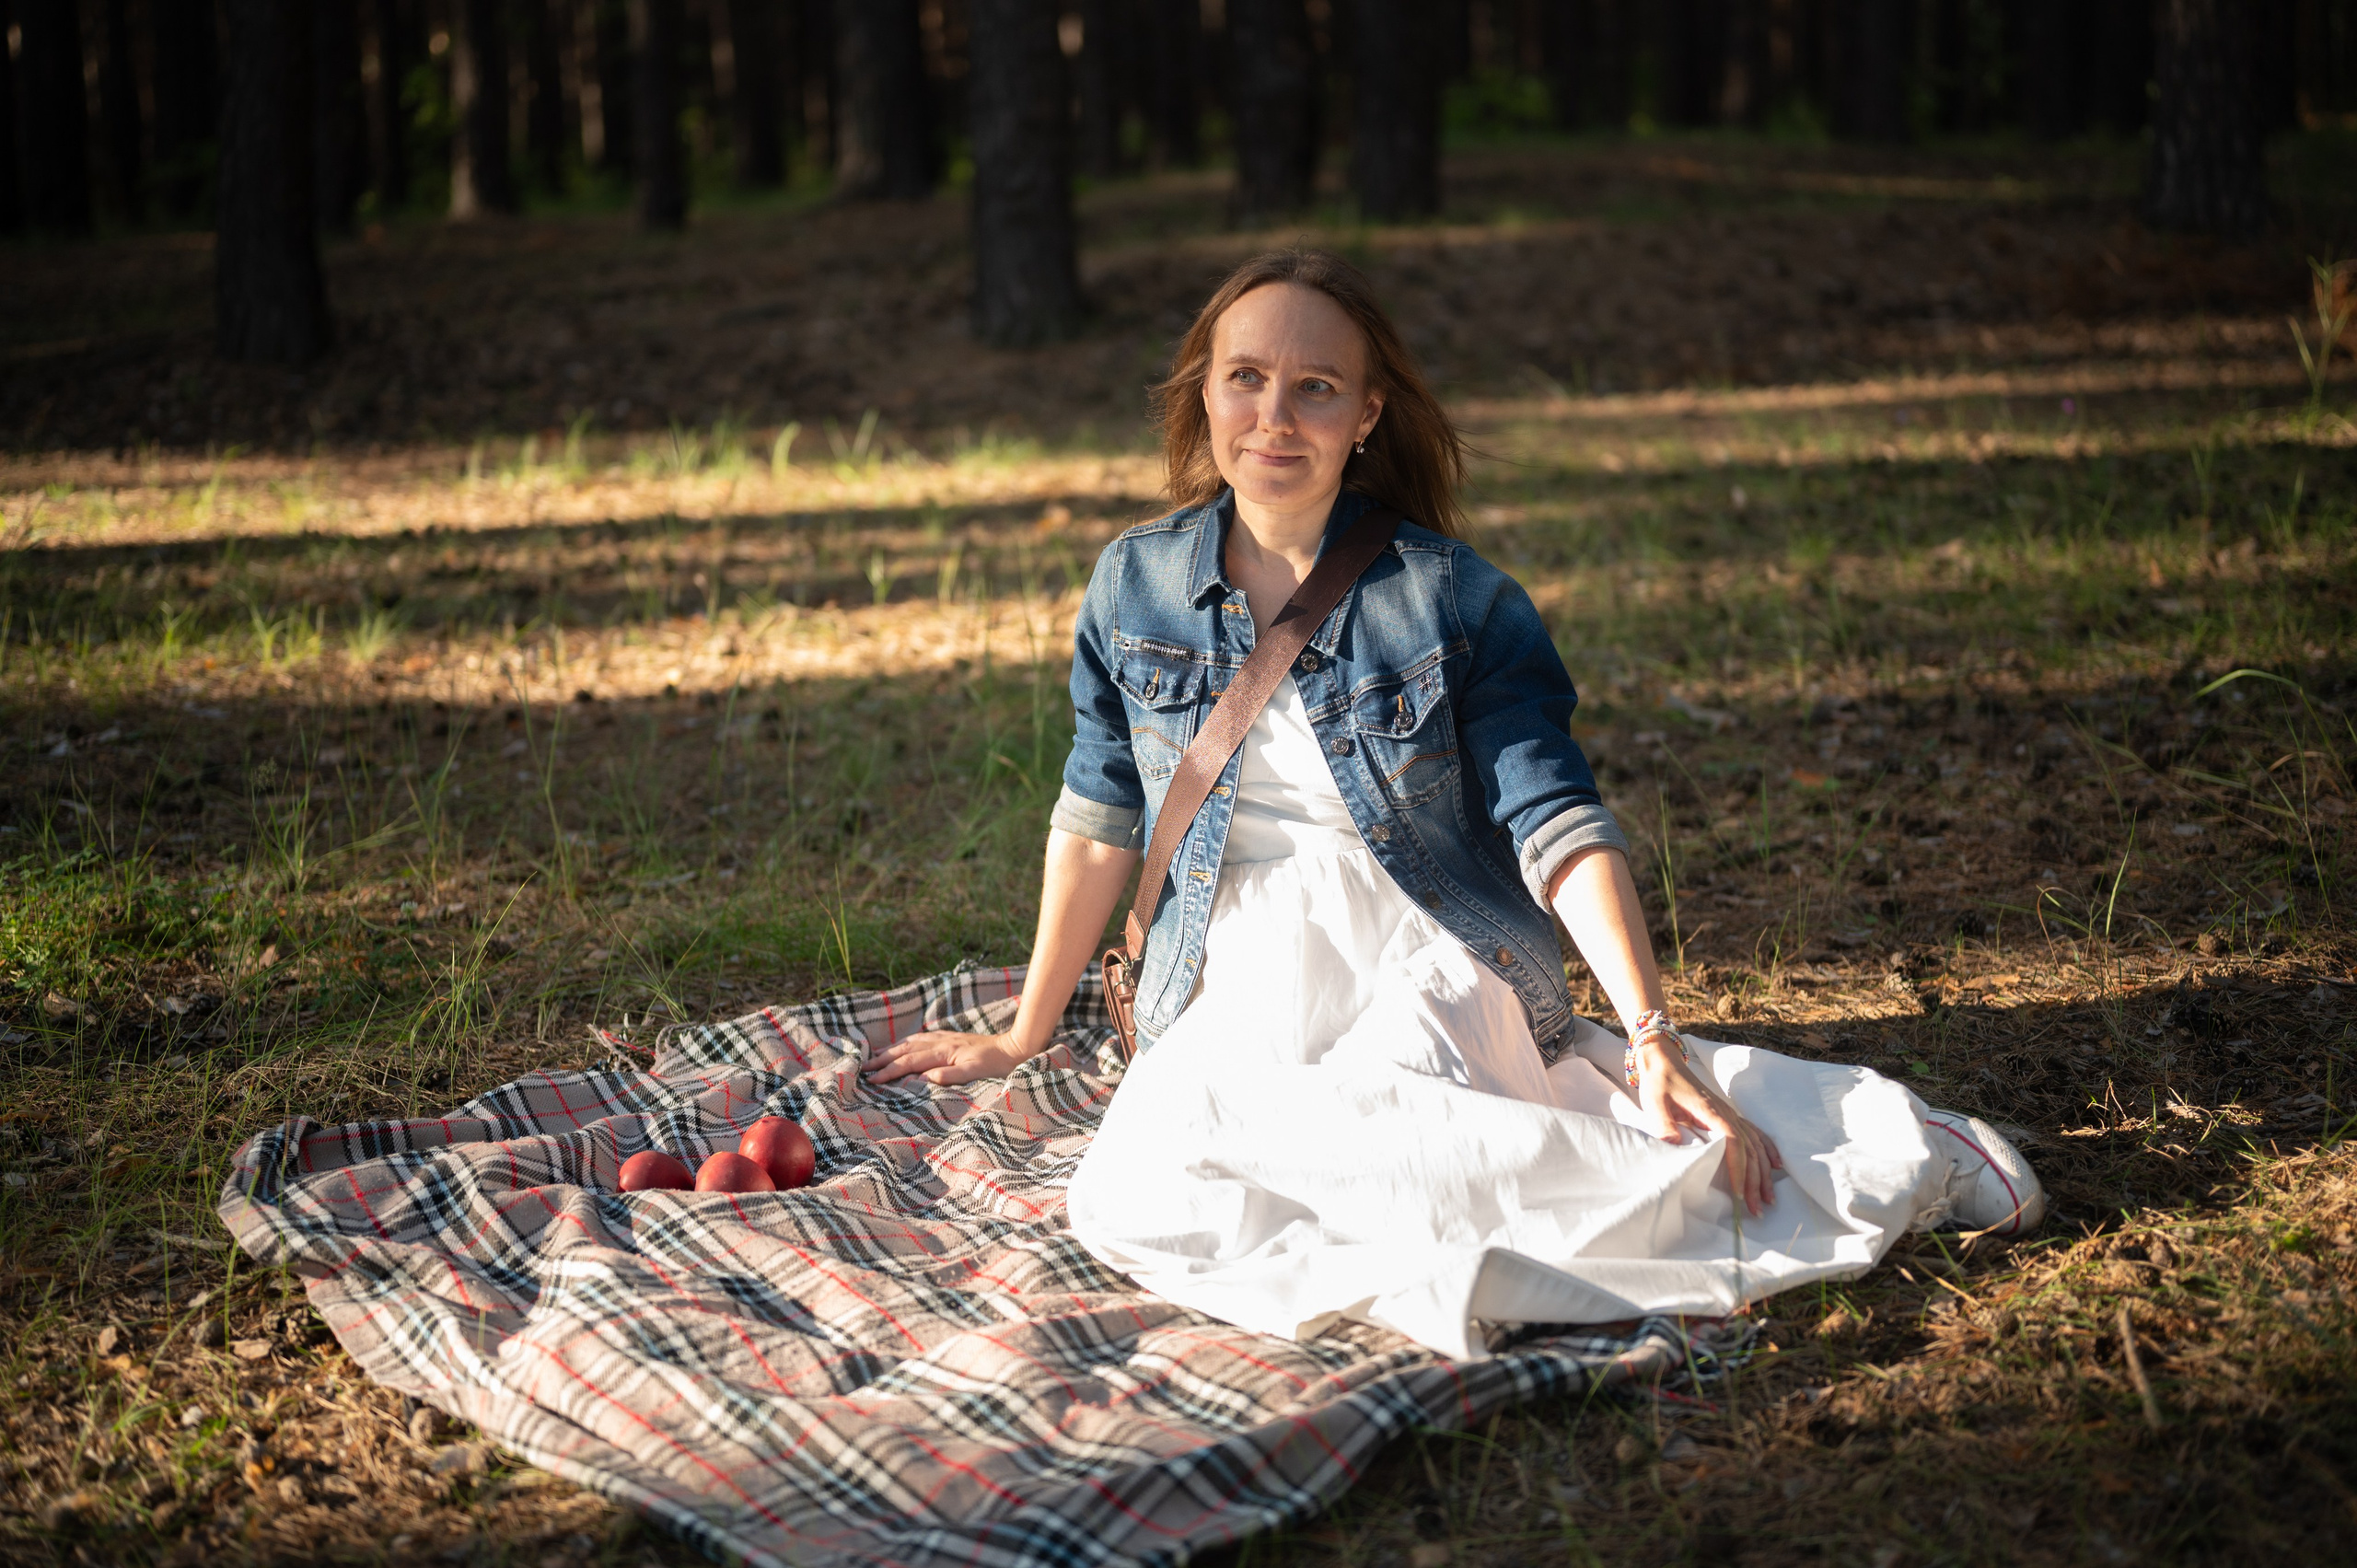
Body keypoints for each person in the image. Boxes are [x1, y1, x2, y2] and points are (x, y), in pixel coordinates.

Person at [865, 250, 2043, 1358]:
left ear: (1367, 415)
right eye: (1246, 378)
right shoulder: (1135, 581)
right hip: (1232, 957)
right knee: (1134, 1193)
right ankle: (1441, 1279)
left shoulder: (1453, 599)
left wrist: (1648, 1028)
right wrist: (1027, 1024)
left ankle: (1880, 1153)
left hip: (1430, 932)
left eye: (1315, 387)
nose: (1275, 416)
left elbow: (1556, 821)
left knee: (1408, 1134)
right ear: (1203, 394)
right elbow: (1099, 812)